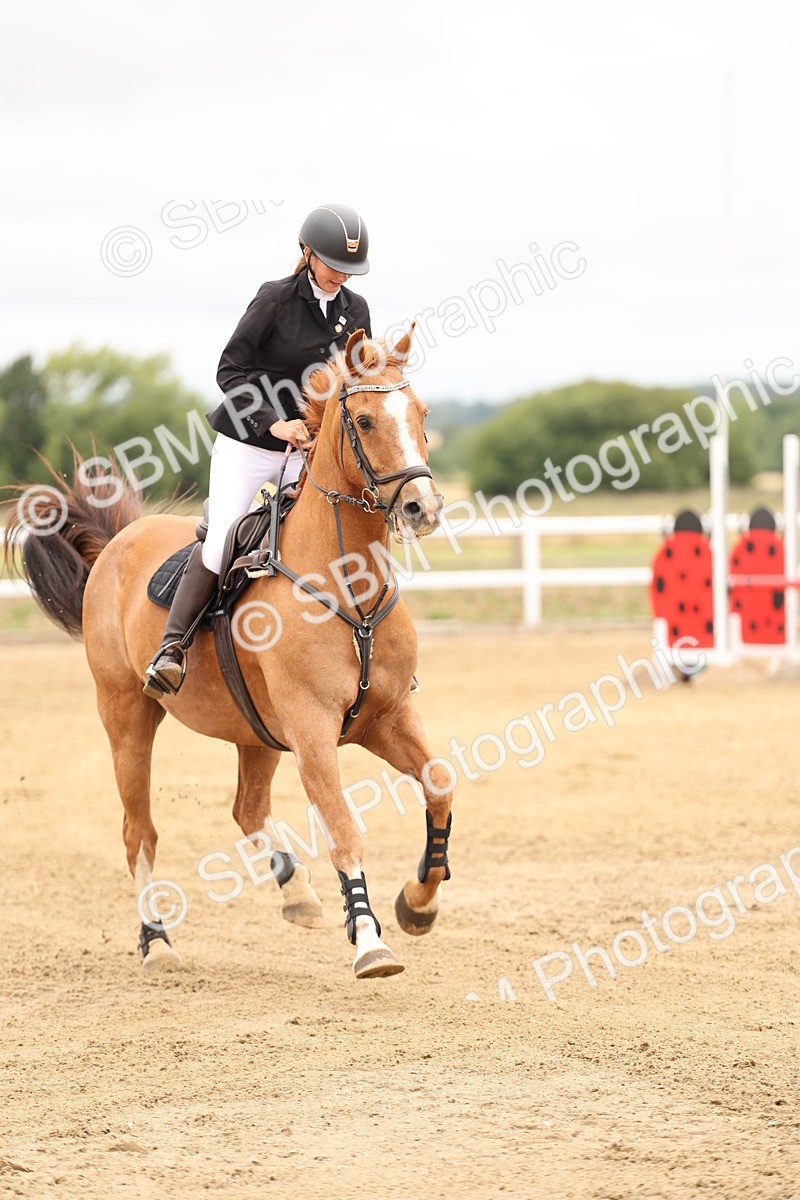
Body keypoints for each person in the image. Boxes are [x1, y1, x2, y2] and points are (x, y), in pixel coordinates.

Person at [143, 203, 371, 697]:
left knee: (339, 527)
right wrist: (275, 423)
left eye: (349, 269)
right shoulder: (274, 300)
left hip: (307, 452)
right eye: (333, 264)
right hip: (248, 444)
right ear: (306, 253)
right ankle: (172, 648)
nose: (340, 276)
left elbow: (355, 385)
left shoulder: (356, 311)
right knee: (224, 537)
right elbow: (231, 371)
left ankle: (371, 647)